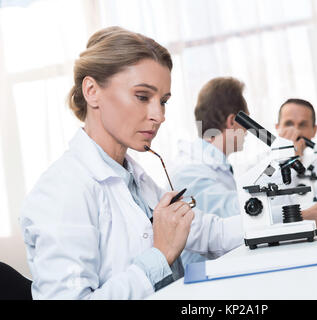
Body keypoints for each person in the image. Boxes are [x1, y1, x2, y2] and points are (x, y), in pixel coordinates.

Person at [19, 27, 243, 299]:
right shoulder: (62, 190)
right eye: (142, 97)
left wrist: (300, 217)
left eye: (163, 101)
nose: (159, 115)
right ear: (92, 91)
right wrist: (160, 256)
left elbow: (211, 233)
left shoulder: (133, 177)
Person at [171, 77, 317, 267]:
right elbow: (242, 214)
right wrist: (305, 213)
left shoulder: (218, 165)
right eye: (247, 124)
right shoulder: (190, 170)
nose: (249, 133)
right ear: (234, 121)